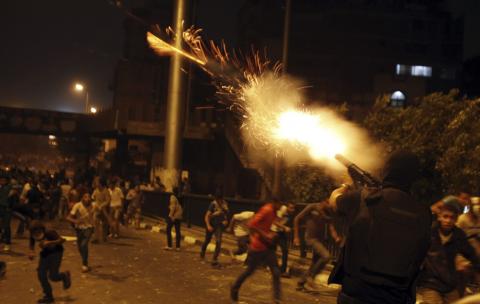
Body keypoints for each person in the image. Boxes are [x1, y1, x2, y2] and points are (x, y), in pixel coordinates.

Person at [328, 150, 432, 304]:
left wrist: (346, 185)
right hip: (397, 298)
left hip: (356, 294)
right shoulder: (424, 213)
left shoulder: (364, 198)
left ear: (388, 170)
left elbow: (334, 201)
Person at [417, 201, 480, 304]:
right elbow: (417, 253)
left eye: (452, 218)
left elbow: (471, 254)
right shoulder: (429, 233)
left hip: (450, 284)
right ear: (439, 217)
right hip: (431, 284)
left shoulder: (458, 235)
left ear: (456, 219)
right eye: (445, 217)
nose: (448, 220)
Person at [230, 198, 283, 304]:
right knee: (249, 271)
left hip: (268, 247)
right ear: (275, 202)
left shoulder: (274, 212)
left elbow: (271, 225)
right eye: (280, 204)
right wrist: (265, 234)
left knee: (276, 272)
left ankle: (277, 299)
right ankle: (234, 288)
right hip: (258, 246)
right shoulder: (266, 210)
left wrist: (274, 232)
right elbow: (251, 224)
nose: (281, 207)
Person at [293, 200, 340, 290]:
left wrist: (336, 236)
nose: (330, 206)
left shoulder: (328, 212)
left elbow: (331, 226)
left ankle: (301, 283)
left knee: (314, 263)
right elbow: (297, 219)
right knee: (326, 256)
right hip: (311, 239)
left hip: (320, 240)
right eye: (329, 203)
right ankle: (311, 277)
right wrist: (296, 236)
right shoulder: (312, 206)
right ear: (324, 202)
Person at [29, 221, 71, 304]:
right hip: (45, 253)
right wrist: (31, 252)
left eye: (38, 233)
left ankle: (64, 276)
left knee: (53, 276)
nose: (36, 235)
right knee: (41, 274)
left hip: (56, 252)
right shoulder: (33, 234)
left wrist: (50, 243)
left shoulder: (49, 232)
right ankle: (48, 296)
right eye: (34, 233)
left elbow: (62, 240)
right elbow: (31, 243)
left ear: (42, 230)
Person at [67, 193, 95, 273]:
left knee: (84, 244)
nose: (88, 199)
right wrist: (76, 221)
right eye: (86, 197)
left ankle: (84, 264)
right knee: (80, 247)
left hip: (89, 227)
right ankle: (84, 260)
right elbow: (68, 217)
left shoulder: (93, 205)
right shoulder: (77, 206)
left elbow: (101, 209)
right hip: (79, 228)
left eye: (89, 197)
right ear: (82, 198)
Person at [200, 191, 229, 267]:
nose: (219, 201)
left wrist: (225, 220)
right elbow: (206, 216)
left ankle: (214, 259)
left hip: (218, 225)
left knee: (218, 241)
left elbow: (225, 214)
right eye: (218, 200)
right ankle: (202, 253)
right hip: (211, 224)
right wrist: (208, 225)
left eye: (220, 199)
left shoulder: (224, 204)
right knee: (207, 240)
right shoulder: (213, 204)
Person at [273, 202, 296, 277]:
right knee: (271, 249)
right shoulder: (283, 210)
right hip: (274, 231)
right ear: (287, 207)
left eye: (293, 208)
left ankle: (282, 270)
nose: (292, 210)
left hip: (280, 232)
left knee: (285, 250)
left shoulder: (291, 214)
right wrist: (285, 228)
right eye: (291, 208)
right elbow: (275, 222)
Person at [0, 173, 16, 252]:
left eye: (3, 180)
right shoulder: (1, 187)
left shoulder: (10, 188)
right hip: (0, 208)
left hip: (7, 209)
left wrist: (10, 207)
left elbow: (14, 198)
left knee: (6, 226)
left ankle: (7, 243)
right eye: (1, 180)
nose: (2, 181)